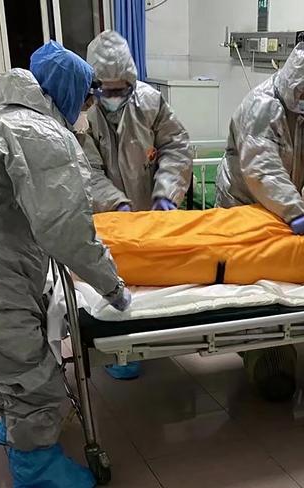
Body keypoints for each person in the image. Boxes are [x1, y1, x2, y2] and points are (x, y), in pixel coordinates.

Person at [0, 41, 131, 488]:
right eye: (85, 96)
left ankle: (12, 427)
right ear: (66, 91)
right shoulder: (40, 134)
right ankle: (37, 470)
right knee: (31, 375)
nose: (87, 108)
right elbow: (65, 227)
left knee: (1, 360)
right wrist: (111, 286)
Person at [79, 30, 193, 380]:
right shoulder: (82, 114)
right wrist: (117, 204)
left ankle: (151, 335)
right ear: (93, 84)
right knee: (114, 276)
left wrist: (166, 192)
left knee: (153, 276)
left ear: (132, 81)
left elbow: (177, 146)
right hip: (108, 216)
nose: (113, 96)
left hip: (152, 209)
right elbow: (86, 171)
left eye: (121, 88)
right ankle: (119, 348)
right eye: (106, 89)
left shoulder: (150, 102)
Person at [215, 41, 304, 235]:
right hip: (244, 203)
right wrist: (295, 212)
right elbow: (262, 169)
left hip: (286, 208)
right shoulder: (261, 107)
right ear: (291, 86)